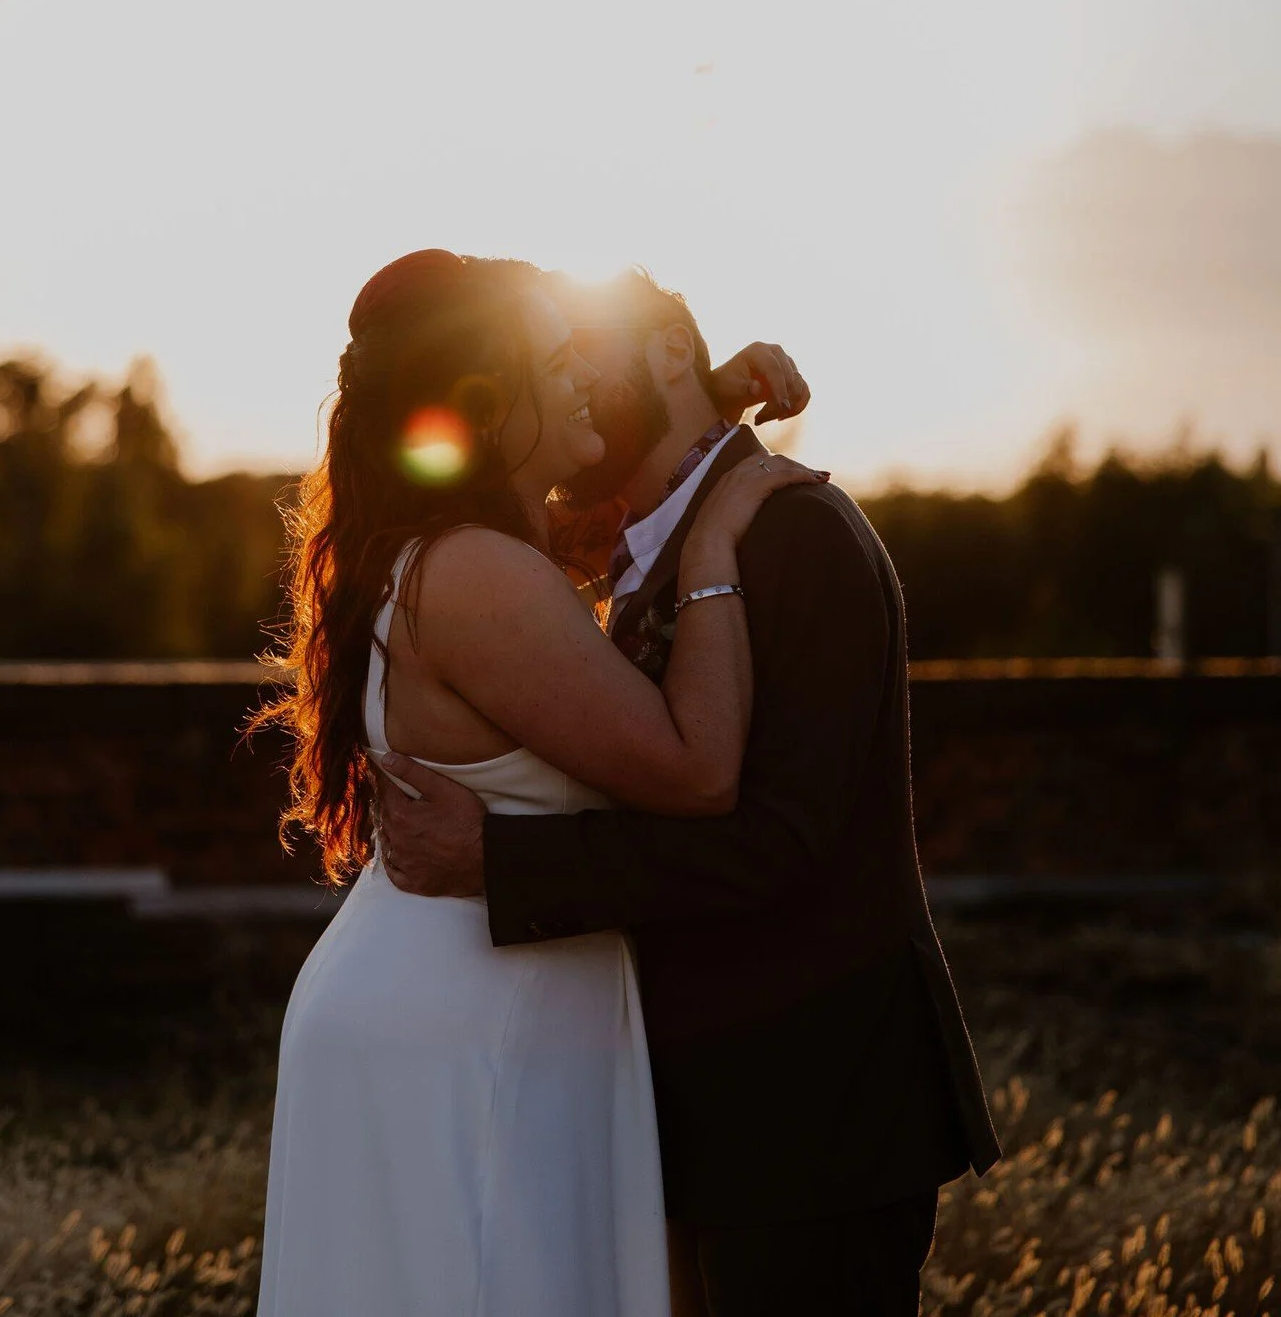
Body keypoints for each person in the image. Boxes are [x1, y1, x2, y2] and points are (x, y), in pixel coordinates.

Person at [378, 267, 1003, 1317]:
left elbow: (780, 843)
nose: (569, 380)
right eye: (555, 363)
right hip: (711, 1110)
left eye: (582, 352)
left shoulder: (796, 531)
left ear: (667, 350)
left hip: (816, 1107)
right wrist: (705, 390)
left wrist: (497, 861)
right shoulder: (641, 544)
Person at [252, 249, 821, 1317]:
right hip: (470, 1027)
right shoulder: (478, 573)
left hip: (467, 1000)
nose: (586, 376)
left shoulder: (471, 552)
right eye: (559, 362)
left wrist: (704, 402)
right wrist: (720, 544)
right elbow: (696, 771)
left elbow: (616, 529)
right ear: (492, 402)